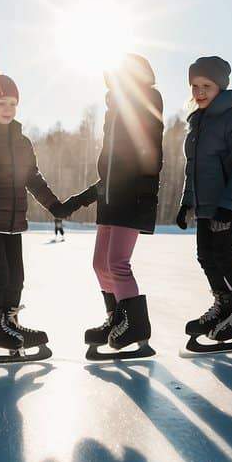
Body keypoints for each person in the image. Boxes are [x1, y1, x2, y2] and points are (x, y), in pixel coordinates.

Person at [0, 70, 71, 361]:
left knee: (17, 277)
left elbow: (33, 179)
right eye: (1, 104)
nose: (7, 109)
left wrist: (54, 206)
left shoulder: (23, 143)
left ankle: (9, 324)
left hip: (13, 222)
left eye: (12, 103)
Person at [65, 54, 164, 357]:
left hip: (131, 196)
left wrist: (137, 187)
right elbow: (109, 164)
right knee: (100, 264)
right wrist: (89, 195)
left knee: (117, 264)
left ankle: (135, 326)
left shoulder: (147, 102)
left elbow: (149, 155)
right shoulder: (114, 111)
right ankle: (116, 319)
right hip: (110, 197)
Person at [176, 55, 232, 349]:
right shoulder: (197, 122)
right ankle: (225, 307)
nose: (199, 91)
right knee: (206, 256)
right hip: (205, 206)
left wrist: (229, 205)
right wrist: (186, 203)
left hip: (228, 205)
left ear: (220, 87)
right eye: (194, 86)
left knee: (226, 256)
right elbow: (194, 170)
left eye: (206, 85)